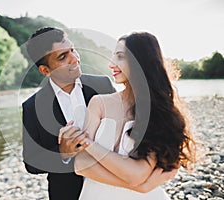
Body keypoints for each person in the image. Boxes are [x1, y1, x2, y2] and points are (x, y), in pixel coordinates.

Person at [60, 32, 195, 199]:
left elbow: (137, 174)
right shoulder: (99, 103)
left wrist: (89, 144)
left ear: (140, 61)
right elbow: (81, 165)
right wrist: (140, 187)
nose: (111, 64)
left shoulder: (159, 113)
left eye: (120, 56)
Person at [22, 27, 116, 200]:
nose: (74, 58)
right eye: (62, 57)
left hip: (112, 185)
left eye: (73, 50)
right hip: (68, 193)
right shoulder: (31, 107)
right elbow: (30, 162)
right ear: (45, 70)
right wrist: (62, 152)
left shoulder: (103, 85)